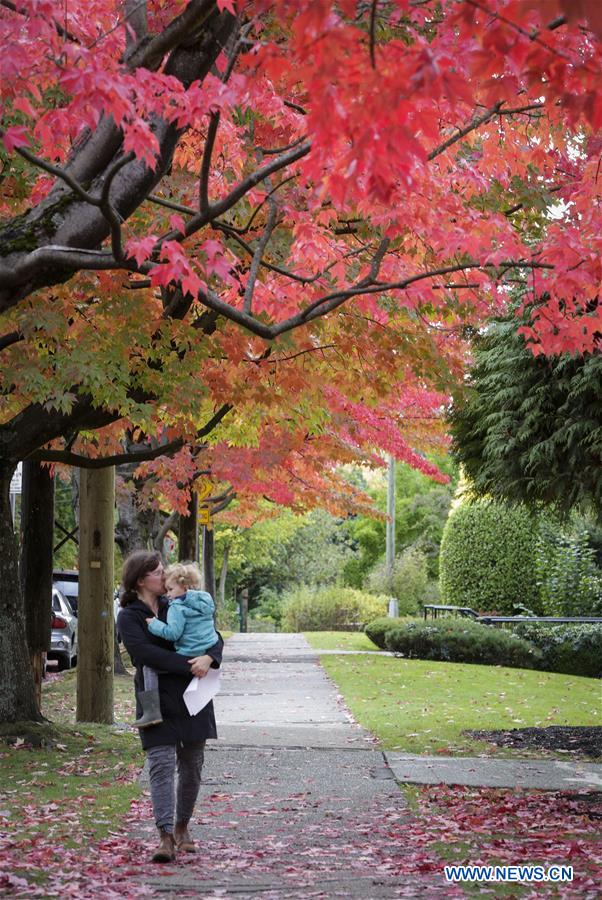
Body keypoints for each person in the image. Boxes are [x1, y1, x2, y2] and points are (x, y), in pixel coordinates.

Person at [117, 550, 223, 864]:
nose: (165, 576)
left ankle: (182, 827)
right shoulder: (130, 616)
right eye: (158, 572)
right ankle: (164, 835)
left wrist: (210, 657)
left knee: (192, 765)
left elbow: (211, 634)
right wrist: (190, 664)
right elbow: (145, 654)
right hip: (155, 697)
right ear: (140, 580)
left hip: (193, 695)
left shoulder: (176, 602)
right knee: (161, 765)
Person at [135, 561, 219, 729]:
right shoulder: (206, 599)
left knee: (148, 669)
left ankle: (151, 711)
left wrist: (154, 624)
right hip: (207, 646)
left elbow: (173, 633)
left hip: (188, 652)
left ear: (185, 587)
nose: (168, 594)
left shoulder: (177, 607)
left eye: (171, 590)